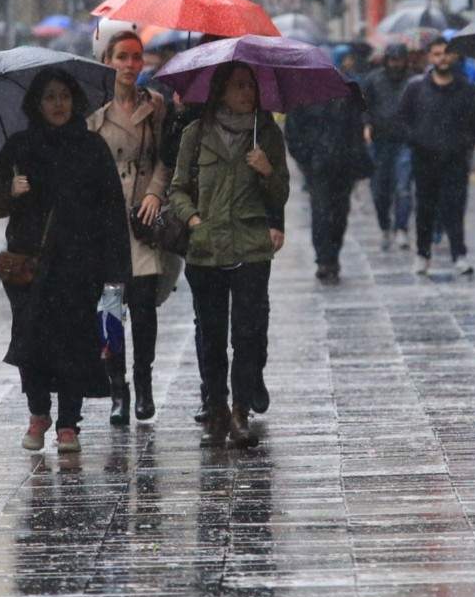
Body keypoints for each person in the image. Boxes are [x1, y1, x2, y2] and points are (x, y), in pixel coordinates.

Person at [0, 68, 131, 454]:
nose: (58, 104)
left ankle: (68, 423)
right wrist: (10, 190)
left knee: (74, 346)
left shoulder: (91, 147)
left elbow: (112, 211)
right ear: (37, 102)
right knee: (30, 345)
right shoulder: (19, 147)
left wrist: (115, 274)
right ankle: (38, 412)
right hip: (30, 269)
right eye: (49, 96)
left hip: (79, 265)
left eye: (63, 95)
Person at [167, 63, 289, 446]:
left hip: (251, 248)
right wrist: (193, 221)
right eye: (238, 86)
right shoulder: (196, 133)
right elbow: (177, 189)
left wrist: (267, 170)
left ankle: (241, 412)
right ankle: (216, 410)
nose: (247, 93)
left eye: (251, 86)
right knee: (212, 334)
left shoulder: (266, 134)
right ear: (219, 91)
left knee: (248, 333)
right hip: (205, 250)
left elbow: (280, 194)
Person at [88, 30, 171, 426]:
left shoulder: (155, 105)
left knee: (143, 307)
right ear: (106, 61)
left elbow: (166, 158)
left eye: (136, 57)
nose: (129, 65)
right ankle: (117, 388)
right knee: (109, 309)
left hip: (142, 222)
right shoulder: (92, 111)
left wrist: (155, 193)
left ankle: (145, 384)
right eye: (121, 56)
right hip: (105, 224)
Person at [397, 38, 475, 275]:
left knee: (455, 207)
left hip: (456, 157)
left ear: (454, 56)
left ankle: (459, 254)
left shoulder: (467, 89)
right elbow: (403, 118)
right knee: (425, 208)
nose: (442, 58)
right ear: (429, 57)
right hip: (424, 157)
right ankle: (422, 253)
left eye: (446, 54)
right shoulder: (416, 88)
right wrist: (415, 138)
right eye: (436, 54)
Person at [285, 94, 371, 283]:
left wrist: (354, 158)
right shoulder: (302, 99)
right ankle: (324, 259)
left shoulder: (346, 98)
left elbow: (355, 130)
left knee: (340, 212)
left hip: (343, 166)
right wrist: (307, 159)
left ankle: (333, 255)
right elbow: (292, 133)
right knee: (321, 211)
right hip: (318, 168)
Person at [361, 42, 415, 251]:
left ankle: (401, 229)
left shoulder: (412, 81)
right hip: (379, 141)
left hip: (405, 141)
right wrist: (366, 125)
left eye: (399, 60)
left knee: (402, 188)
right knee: (379, 190)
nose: (396, 64)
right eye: (392, 60)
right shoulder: (373, 80)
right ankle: (385, 226)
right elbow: (363, 105)